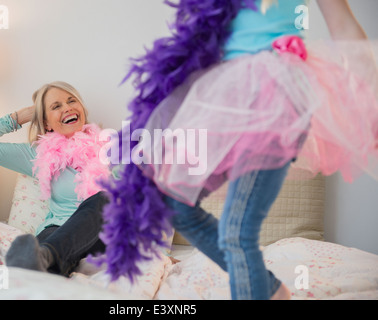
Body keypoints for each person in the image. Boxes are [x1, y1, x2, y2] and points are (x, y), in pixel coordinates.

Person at [98, 0, 378, 299]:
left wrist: (371, 103)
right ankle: (269, 289)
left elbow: (343, 26)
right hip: (222, 98)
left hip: (277, 94)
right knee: (175, 205)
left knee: (238, 231)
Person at [0, 81, 111, 277]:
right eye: (56, 106)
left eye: (71, 101)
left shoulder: (111, 148)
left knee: (105, 199)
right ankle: (43, 265)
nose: (67, 108)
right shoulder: (38, 155)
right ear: (46, 123)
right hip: (57, 231)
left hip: (102, 236)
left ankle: (42, 263)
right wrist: (23, 115)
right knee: (44, 251)